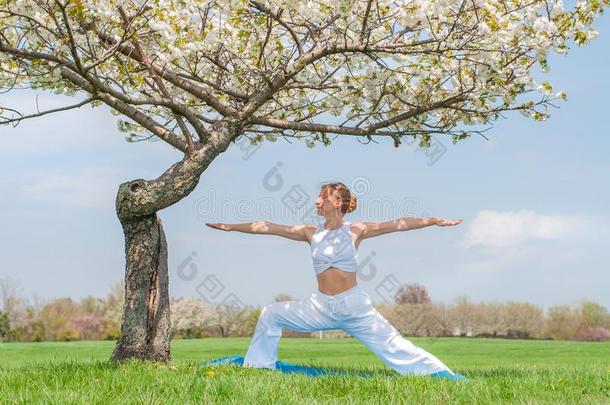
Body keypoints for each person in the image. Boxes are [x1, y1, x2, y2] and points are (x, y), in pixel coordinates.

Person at [205, 181, 465, 380]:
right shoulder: (310, 232)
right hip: (320, 307)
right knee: (271, 314)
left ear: (339, 201)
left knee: (394, 345)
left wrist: (431, 220)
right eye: (318, 197)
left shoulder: (356, 230)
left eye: (323, 197)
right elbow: (268, 227)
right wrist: (231, 226)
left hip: (353, 307)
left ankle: (441, 375)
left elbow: (398, 224)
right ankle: (259, 366)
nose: (316, 201)